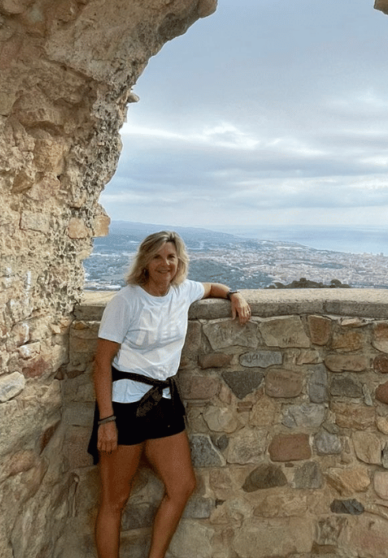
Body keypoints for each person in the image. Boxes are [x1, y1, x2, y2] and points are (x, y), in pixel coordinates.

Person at [88, 230, 251, 558]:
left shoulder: (182, 292)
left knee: (181, 487)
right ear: (145, 261)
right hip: (124, 405)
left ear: (179, 262)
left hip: (163, 402)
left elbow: (212, 288)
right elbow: (102, 362)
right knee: (115, 500)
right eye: (158, 257)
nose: (166, 263)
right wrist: (106, 420)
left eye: (171, 257)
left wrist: (234, 295)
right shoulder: (127, 300)